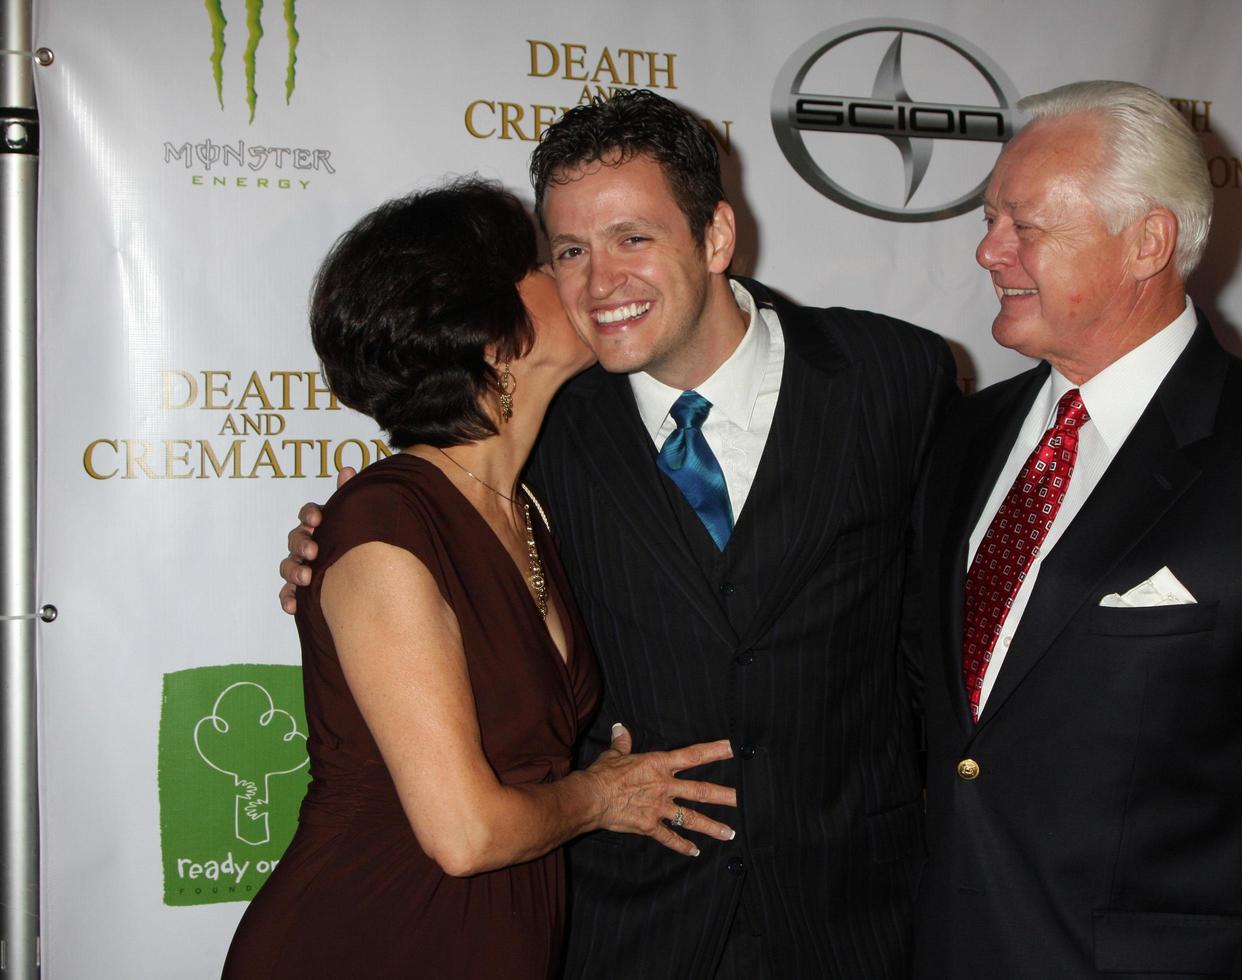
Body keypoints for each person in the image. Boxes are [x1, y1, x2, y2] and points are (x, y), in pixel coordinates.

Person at [281, 90, 956, 979]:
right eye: (568, 251)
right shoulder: (537, 423)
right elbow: (427, 542)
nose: (600, 283)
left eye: (632, 238)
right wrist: (329, 550)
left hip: (854, 910)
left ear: (714, 238)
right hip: (629, 922)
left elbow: (939, 628)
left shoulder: (892, 375)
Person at [908, 80, 1242, 978]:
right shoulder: (960, 436)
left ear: (1147, 241)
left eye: (1023, 225)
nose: (989, 252)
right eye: (990, 219)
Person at [227, 178, 737, 979]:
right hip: (373, 938)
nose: (579, 281)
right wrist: (603, 796)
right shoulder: (385, 525)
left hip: (494, 938)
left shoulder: (527, 503)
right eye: (549, 262)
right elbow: (464, 835)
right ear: (492, 332)